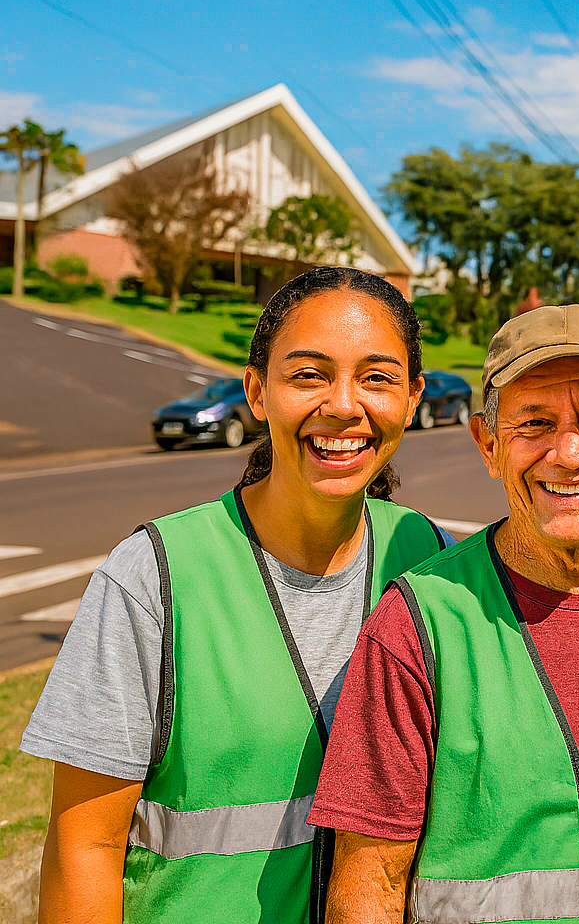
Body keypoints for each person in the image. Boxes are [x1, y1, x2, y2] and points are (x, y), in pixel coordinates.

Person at [22, 266, 451, 923]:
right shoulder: (155, 575)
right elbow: (86, 844)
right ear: (256, 391)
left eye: (377, 377)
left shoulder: (431, 560)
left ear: (413, 397)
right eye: (309, 374)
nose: (342, 403)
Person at [314, 303, 579, 924]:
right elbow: (368, 884)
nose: (569, 454)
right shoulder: (418, 625)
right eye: (533, 424)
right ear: (488, 444)